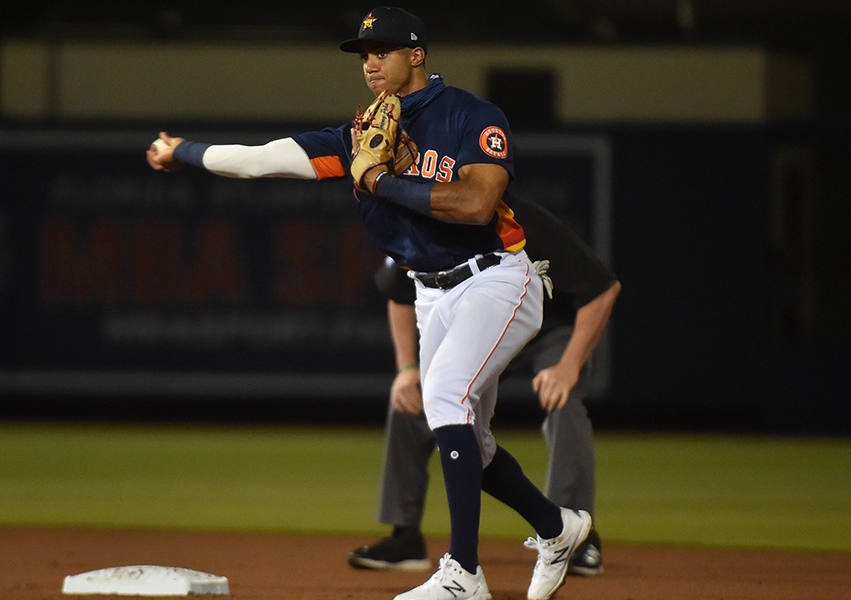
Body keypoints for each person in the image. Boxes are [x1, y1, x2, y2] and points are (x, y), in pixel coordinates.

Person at [147, 7, 593, 599]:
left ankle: (463, 573)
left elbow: (478, 205)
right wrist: (181, 151)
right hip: (431, 294)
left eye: (382, 49)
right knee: (470, 440)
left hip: (498, 279)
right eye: (363, 53)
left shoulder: (470, 115)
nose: (370, 62)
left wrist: (379, 179)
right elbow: (260, 160)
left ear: (417, 55)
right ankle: (558, 528)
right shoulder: (355, 138)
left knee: (441, 398)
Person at [348, 193, 620, 578]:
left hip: (546, 329)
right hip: (479, 320)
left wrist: (569, 365)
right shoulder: (430, 220)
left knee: (564, 401)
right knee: (414, 397)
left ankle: (576, 536)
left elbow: (602, 288)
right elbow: (399, 293)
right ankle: (404, 537)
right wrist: (408, 368)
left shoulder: (526, 219)